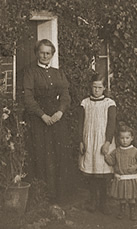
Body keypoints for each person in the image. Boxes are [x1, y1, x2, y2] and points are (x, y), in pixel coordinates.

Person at [23, 39, 71, 202]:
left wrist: (60, 112)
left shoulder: (58, 73)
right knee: (41, 155)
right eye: (42, 52)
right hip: (39, 119)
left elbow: (65, 95)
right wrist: (42, 115)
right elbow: (28, 98)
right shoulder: (30, 72)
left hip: (57, 118)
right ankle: (42, 197)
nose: (45, 56)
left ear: (52, 55)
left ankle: (60, 196)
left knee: (59, 154)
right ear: (37, 53)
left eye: (48, 53)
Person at [78, 72, 116, 214]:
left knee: (103, 173)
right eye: (94, 87)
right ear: (90, 86)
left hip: (103, 141)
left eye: (99, 87)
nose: (96, 90)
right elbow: (80, 123)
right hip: (89, 140)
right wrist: (81, 141)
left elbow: (111, 124)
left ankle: (104, 203)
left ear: (104, 88)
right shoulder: (85, 103)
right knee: (92, 172)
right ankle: (93, 201)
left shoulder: (109, 104)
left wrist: (107, 142)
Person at [104, 124, 137, 221]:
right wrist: (106, 156)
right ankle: (122, 210)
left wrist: (136, 167)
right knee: (122, 197)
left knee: (131, 197)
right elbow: (112, 162)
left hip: (131, 178)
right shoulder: (116, 151)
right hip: (120, 178)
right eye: (122, 138)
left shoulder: (135, 151)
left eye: (127, 138)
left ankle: (132, 212)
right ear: (118, 139)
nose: (124, 140)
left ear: (132, 138)